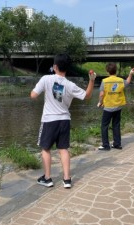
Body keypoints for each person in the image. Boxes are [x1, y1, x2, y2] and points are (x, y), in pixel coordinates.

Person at [30, 53, 96, 189]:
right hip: (64, 119)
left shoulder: (46, 79)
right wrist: (91, 80)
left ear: (55, 67)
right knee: (63, 149)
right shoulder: (70, 85)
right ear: (67, 68)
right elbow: (87, 96)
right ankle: (67, 179)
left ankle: (47, 178)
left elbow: (33, 95)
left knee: (45, 149)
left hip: (49, 120)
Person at [97, 63, 134, 151]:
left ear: (107, 71)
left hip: (108, 107)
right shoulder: (120, 80)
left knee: (104, 126)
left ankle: (106, 145)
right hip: (118, 106)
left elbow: (101, 94)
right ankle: (117, 144)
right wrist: (130, 73)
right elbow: (128, 82)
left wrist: (100, 102)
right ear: (116, 71)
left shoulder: (104, 81)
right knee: (116, 125)